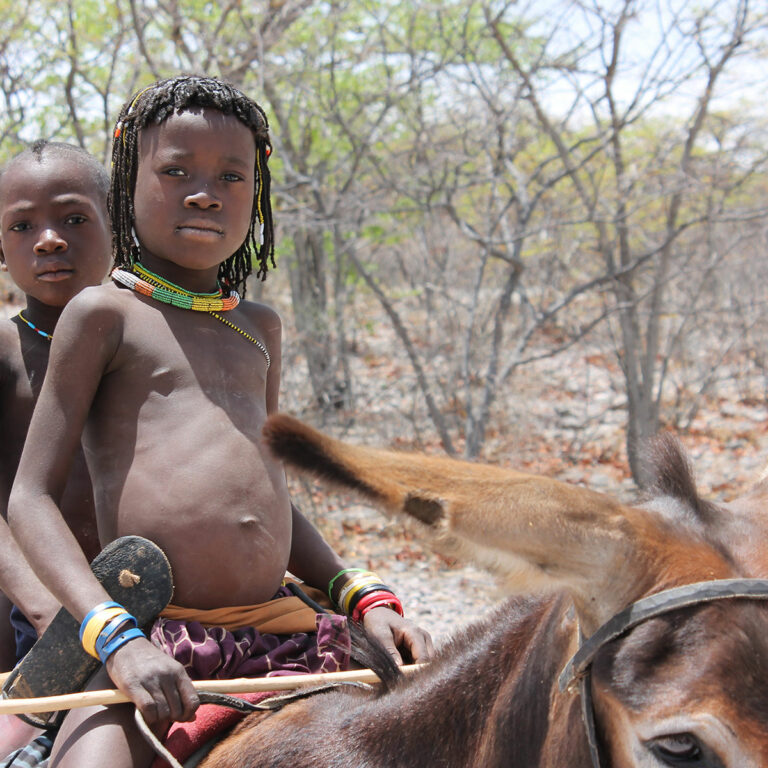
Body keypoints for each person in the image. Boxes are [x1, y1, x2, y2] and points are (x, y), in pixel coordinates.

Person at [8, 76, 433, 768]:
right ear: (126, 189)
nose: (205, 194)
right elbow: (30, 499)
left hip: (287, 633)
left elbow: (271, 498)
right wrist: (116, 640)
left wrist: (362, 597)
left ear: (256, 197)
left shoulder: (259, 328)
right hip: (152, 637)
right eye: (176, 171)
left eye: (231, 177)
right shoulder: (103, 315)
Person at [0, 139, 113, 757]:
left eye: (73, 218)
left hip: (156, 598)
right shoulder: (4, 351)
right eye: (22, 226)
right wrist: (50, 613)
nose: (48, 240)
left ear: (115, 227)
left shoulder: (150, 341)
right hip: (44, 616)